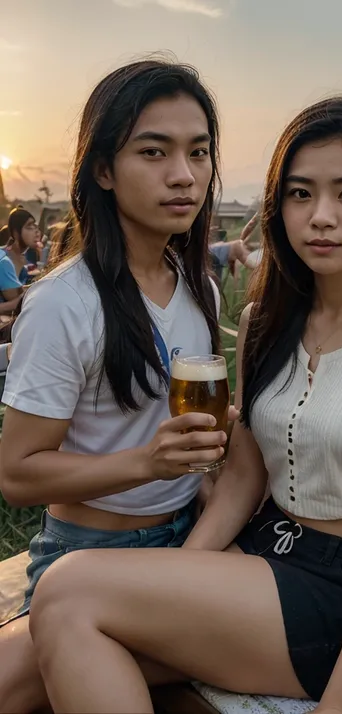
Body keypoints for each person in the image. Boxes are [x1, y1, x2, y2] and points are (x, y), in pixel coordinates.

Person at [26, 97, 342, 713]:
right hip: (256, 555)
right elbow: (244, 475)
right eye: (300, 194)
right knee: (29, 658)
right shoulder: (266, 321)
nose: (320, 217)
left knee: (68, 592)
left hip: (339, 591)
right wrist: (180, 575)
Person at [0, 58, 233, 714]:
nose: (183, 174)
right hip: (91, 552)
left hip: (187, 540)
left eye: (199, 152)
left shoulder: (200, 287)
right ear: (102, 171)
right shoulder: (62, 305)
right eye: (153, 152)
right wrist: (145, 463)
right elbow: (18, 476)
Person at [1, 208, 43, 284]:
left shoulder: (29, 259)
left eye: (35, 226)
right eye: (29, 226)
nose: (37, 232)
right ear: (16, 233)